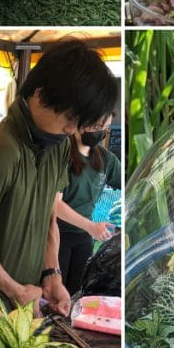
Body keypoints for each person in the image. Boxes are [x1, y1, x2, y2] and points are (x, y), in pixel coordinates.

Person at [0, 40, 119, 319]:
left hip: (28, 306)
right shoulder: (2, 148)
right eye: (69, 117)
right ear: (41, 95)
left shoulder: (58, 145)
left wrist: (52, 274)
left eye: (79, 122)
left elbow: (49, 218)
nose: (72, 129)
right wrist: (15, 290)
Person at [55, 116, 121, 297]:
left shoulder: (106, 159)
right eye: (98, 126)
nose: (101, 132)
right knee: (55, 292)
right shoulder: (61, 155)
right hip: (58, 234)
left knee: (77, 293)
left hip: (84, 238)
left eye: (105, 127)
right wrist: (91, 226)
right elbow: (56, 205)